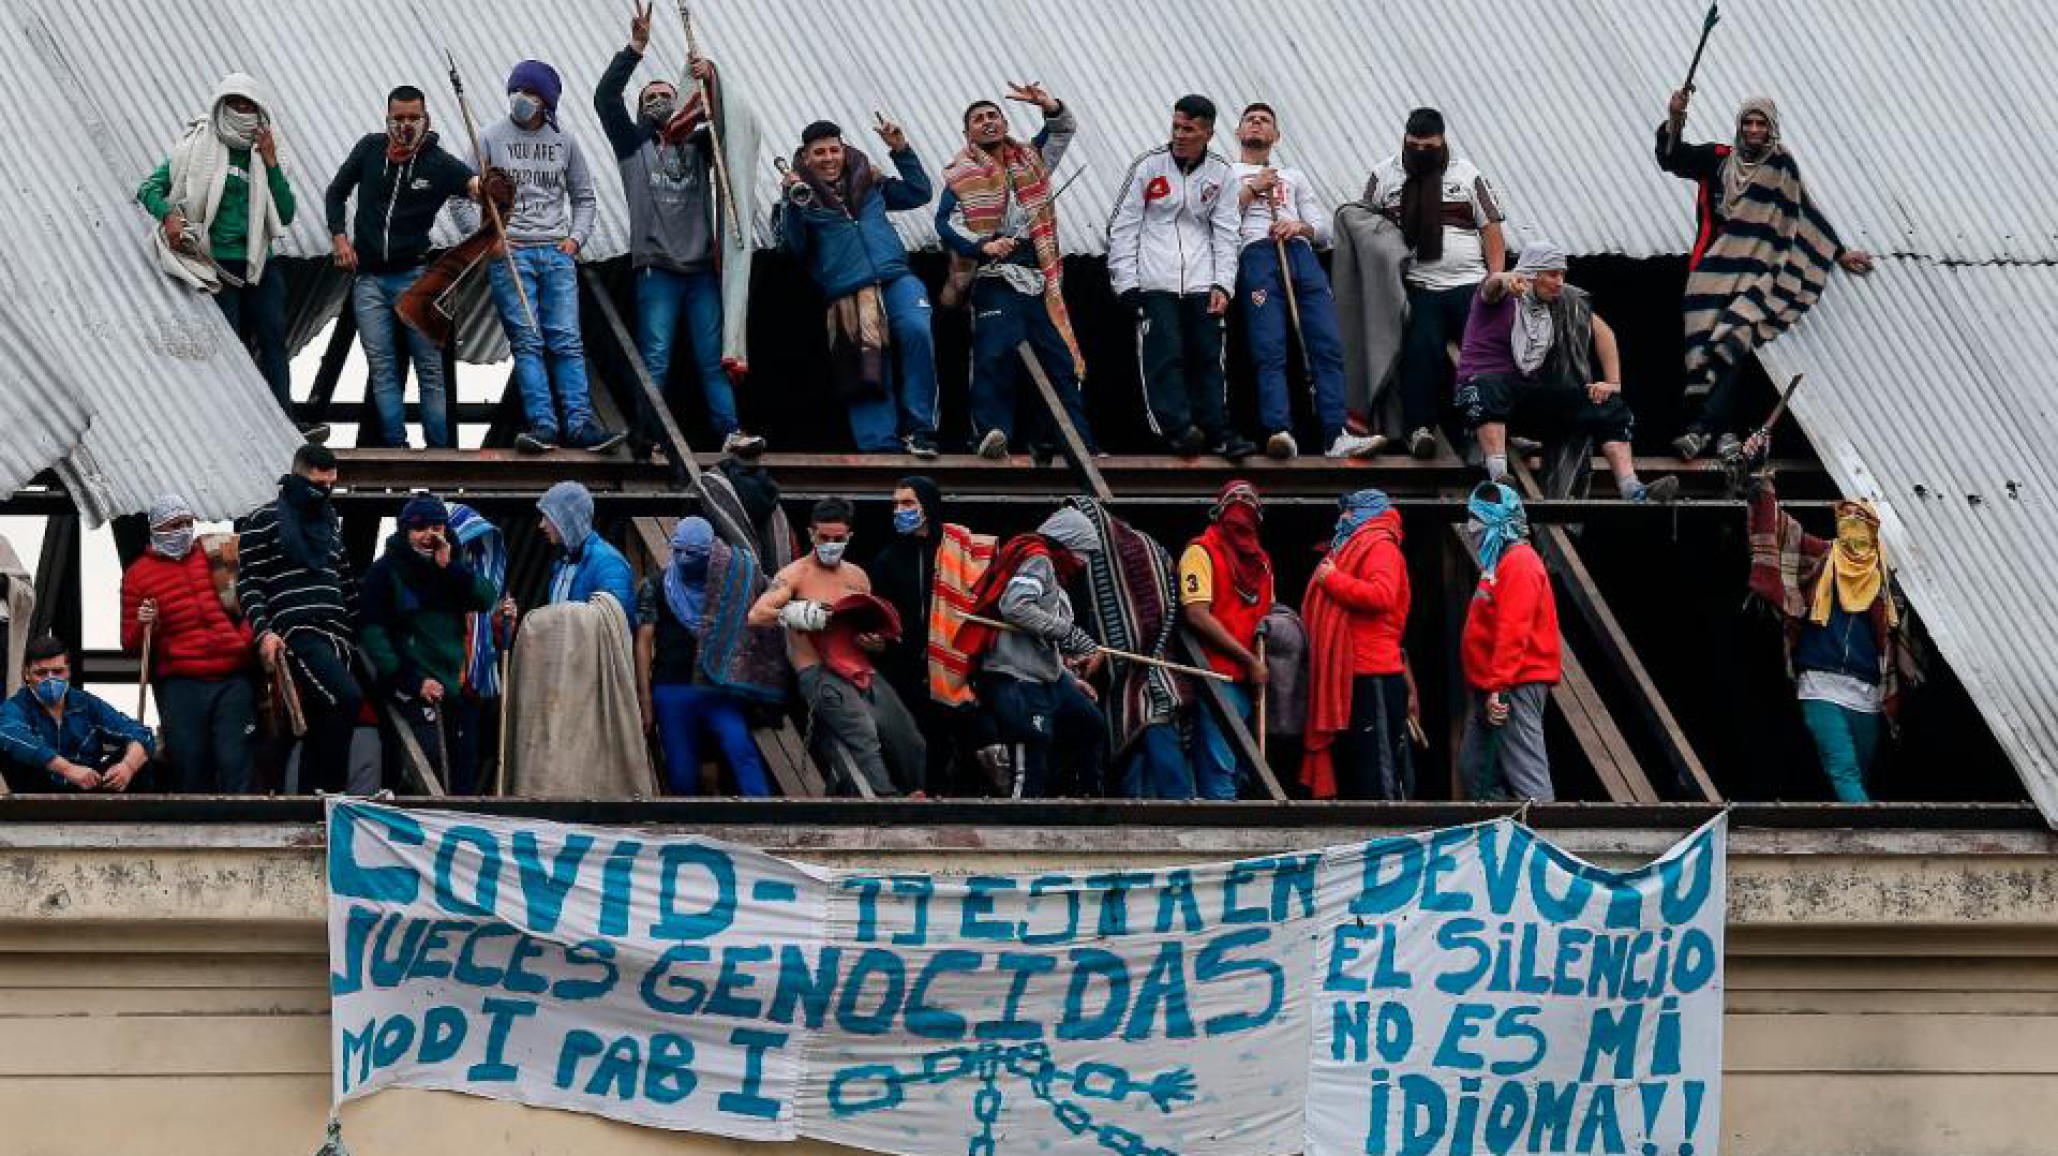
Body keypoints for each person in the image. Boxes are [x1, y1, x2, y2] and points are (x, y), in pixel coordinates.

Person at [1659, 92, 1873, 459]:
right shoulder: (1718, 159)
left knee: (1736, 334)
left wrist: (1837, 252)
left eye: (1761, 124)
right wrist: (1675, 119)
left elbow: (1803, 211)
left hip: (1757, 271)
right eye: (1748, 123)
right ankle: (1724, 433)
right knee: (1705, 344)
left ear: (1771, 128)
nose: (1754, 130)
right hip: (1710, 271)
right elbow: (1672, 158)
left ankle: (1701, 429)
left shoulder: (1781, 166)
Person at [597, 7, 763, 457]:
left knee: (713, 359)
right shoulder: (632, 146)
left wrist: (708, 78)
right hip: (657, 269)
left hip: (700, 270)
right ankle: (648, 437)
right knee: (656, 359)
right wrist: (634, 51)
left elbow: (734, 121)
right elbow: (605, 99)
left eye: (666, 95)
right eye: (649, 99)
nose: (658, 103)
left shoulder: (700, 143)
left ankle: (731, 432)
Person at [137, 73, 320, 441]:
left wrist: (269, 163)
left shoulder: (268, 151)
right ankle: (230, 425)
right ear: (221, 105)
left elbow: (283, 213)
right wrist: (168, 215)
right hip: (216, 263)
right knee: (231, 345)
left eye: (248, 105)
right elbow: (150, 188)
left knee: (272, 338)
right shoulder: (197, 144)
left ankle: (285, 421)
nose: (240, 111)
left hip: (257, 262)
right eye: (234, 103)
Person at [1743, 448, 1916, 802]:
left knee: (1858, 774)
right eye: (1847, 523)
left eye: (1861, 525)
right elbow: (1780, 532)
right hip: (1819, 685)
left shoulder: (1886, 583)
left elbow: (1899, 637)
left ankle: (1855, 826)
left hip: (1867, 694)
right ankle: (1871, 843)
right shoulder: (1821, 560)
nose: (1853, 533)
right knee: (1844, 770)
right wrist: (1762, 484)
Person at [936, 83, 1097, 461]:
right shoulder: (960, 175)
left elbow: (1062, 129)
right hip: (993, 277)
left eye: (993, 115)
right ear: (967, 133)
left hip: (1038, 279)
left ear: (1005, 121)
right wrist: (984, 246)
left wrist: (1050, 105)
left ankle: (1076, 442)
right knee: (994, 355)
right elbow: (946, 223)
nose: (988, 122)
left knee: (1058, 360)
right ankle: (992, 435)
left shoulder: (1032, 158)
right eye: (978, 119)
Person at [1453, 242, 1680, 503]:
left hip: (1528, 399)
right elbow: (1492, 285)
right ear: (1532, 273)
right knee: (1489, 385)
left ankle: (1632, 488)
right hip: (1482, 397)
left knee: (1609, 406)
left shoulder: (1558, 303)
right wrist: (1507, 279)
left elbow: (1604, 333)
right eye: (1552, 274)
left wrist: (1612, 383)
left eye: (1563, 274)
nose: (1560, 282)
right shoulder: (1499, 297)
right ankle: (1499, 480)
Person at [477, 59, 624, 455]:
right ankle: (543, 425)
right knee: (527, 341)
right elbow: (464, 194)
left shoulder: (566, 142)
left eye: (530, 93)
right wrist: (487, 240)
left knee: (566, 341)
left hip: (556, 252)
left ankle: (579, 425)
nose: (521, 99)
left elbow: (584, 197)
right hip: (512, 254)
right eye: (517, 90)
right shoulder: (489, 138)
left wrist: (575, 240)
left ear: (547, 101)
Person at [325, 85, 484, 449]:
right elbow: (336, 191)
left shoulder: (438, 163)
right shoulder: (369, 149)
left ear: (426, 119)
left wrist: (489, 187)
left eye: (413, 118)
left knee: (430, 370)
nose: (406, 125)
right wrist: (339, 237)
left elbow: (476, 188)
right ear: (387, 119)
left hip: (415, 277)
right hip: (369, 279)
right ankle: (397, 447)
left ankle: (440, 452)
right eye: (399, 118)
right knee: (383, 368)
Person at [775, 119, 940, 457]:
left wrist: (901, 150)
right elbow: (792, 248)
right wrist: (792, 201)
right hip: (847, 291)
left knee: (917, 330)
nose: (828, 158)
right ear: (806, 159)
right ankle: (880, 447)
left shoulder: (870, 183)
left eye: (833, 150)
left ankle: (919, 430)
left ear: (844, 151)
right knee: (865, 366)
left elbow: (919, 192)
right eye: (818, 153)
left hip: (896, 277)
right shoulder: (798, 198)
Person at [1107, 95, 1255, 460]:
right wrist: (1125, 283)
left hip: (1203, 282)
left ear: (1208, 132)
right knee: (1165, 354)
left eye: (1188, 128)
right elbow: (1122, 228)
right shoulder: (1147, 166)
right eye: (1175, 126)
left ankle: (1217, 431)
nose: (1179, 134)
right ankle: (1177, 430)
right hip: (1154, 281)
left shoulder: (1221, 173)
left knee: (1208, 355)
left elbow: (1227, 232)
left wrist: (1223, 284)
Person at [1230, 105, 1381, 460]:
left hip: (1300, 254)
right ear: (1238, 132)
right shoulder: (1226, 173)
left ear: (1276, 136)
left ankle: (1336, 433)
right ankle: (1279, 429)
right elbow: (1216, 217)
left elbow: (1324, 230)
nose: (1257, 123)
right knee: (1270, 346)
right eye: (1250, 119)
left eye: (1265, 120)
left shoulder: (1293, 176)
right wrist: (1253, 189)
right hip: (1257, 253)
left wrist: (1299, 227)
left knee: (1326, 343)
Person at [748, 498, 925, 796]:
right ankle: (886, 799)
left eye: (837, 539)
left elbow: (875, 630)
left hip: (861, 668)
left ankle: (914, 794)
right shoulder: (794, 574)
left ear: (849, 537)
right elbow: (756, 614)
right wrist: (795, 613)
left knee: (908, 737)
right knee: (862, 731)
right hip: (818, 670)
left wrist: (876, 643)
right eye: (824, 538)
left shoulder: (857, 576)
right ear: (811, 534)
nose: (830, 543)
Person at [1361, 108, 1507, 459]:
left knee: (1488, 360)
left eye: (1429, 146)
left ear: (1442, 142)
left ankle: (1495, 431)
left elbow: (1491, 228)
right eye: (1414, 145)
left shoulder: (1466, 173)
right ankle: (1419, 429)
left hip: (1470, 284)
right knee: (1420, 355)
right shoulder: (1384, 175)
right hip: (1418, 285)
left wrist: (1496, 277)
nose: (1421, 152)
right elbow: (1362, 225)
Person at [235, 443, 362, 794]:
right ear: (297, 477)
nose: (324, 493)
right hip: (297, 632)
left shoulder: (329, 523)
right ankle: (331, 792)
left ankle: (312, 796)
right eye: (318, 485)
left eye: (331, 485)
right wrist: (264, 633)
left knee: (325, 713)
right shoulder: (262, 520)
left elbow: (345, 579)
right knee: (345, 698)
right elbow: (250, 584)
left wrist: (358, 629)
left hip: (337, 634)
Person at [956, 509, 1108, 798]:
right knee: (1031, 752)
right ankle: (1022, 821)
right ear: (1068, 543)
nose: (1084, 562)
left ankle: (1089, 800)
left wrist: (1065, 674)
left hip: (1045, 676)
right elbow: (1015, 607)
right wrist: (1069, 634)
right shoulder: (1037, 560)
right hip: (1018, 678)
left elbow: (1040, 634)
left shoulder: (1053, 574)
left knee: (1091, 724)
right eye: (1084, 552)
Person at [359, 494, 498, 794]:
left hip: (454, 690)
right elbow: (373, 636)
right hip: (411, 692)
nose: (429, 536)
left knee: (462, 781)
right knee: (421, 778)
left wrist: (451, 568)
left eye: (437, 527)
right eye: (420, 528)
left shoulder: (451, 567)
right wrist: (412, 681)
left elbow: (485, 598)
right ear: (404, 530)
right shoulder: (384, 572)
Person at [119, 494, 256, 793]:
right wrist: (147, 624)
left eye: (187, 523)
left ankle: (242, 826)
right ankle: (196, 831)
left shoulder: (217, 551)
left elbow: (250, 600)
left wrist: (244, 641)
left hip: (232, 674)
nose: (183, 530)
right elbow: (130, 643)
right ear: (156, 529)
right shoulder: (137, 576)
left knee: (237, 758)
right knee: (190, 763)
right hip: (182, 682)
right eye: (174, 525)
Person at [635, 517, 775, 797]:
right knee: (682, 773)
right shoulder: (657, 586)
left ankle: (765, 817)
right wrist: (645, 698)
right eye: (679, 551)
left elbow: (761, 614)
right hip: (673, 688)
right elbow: (643, 642)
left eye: (693, 554)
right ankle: (686, 830)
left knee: (741, 750)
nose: (684, 559)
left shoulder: (731, 586)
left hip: (719, 688)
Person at [1061, 498, 1189, 798]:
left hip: (1154, 673)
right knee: (1130, 764)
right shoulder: (1092, 567)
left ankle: (1182, 815)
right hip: (1116, 683)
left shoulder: (1139, 553)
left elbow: (1150, 617)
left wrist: (1107, 651)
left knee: (1160, 745)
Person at [1302, 489, 1414, 800]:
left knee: (1377, 773)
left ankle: (1387, 840)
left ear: (1367, 513)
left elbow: (1382, 595)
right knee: (1359, 770)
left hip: (1373, 672)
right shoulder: (1357, 547)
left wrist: (1332, 580)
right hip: (1355, 674)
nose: (1343, 518)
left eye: (1350, 511)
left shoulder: (1381, 547)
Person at [1458, 483, 1559, 802]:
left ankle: (1545, 841)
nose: (1471, 527)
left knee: (1527, 774)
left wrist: (1499, 688)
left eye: (1475, 518)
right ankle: (1504, 839)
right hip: (1494, 685)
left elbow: (1513, 630)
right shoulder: (1498, 564)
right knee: (1474, 769)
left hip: (1514, 684)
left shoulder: (1519, 563)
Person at [1179, 482, 1273, 799]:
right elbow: (1196, 614)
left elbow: (1266, 615)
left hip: (1250, 683)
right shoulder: (1200, 552)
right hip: (1216, 679)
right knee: (1218, 772)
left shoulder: (1261, 563)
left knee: (1244, 771)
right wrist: (1250, 661)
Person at [0, 636, 155, 793]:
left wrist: (127, 767)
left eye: (58, 671)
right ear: (27, 674)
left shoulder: (86, 704)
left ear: (69, 671)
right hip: (38, 791)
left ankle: (130, 815)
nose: (50, 679)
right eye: (41, 673)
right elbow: (10, 735)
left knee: (140, 758)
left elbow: (141, 734)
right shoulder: (15, 706)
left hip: (88, 787)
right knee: (10, 750)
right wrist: (67, 769)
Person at [537, 482, 638, 634]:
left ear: (566, 518)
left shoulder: (608, 563)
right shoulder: (564, 564)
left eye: (547, 516)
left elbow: (614, 628)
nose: (541, 524)